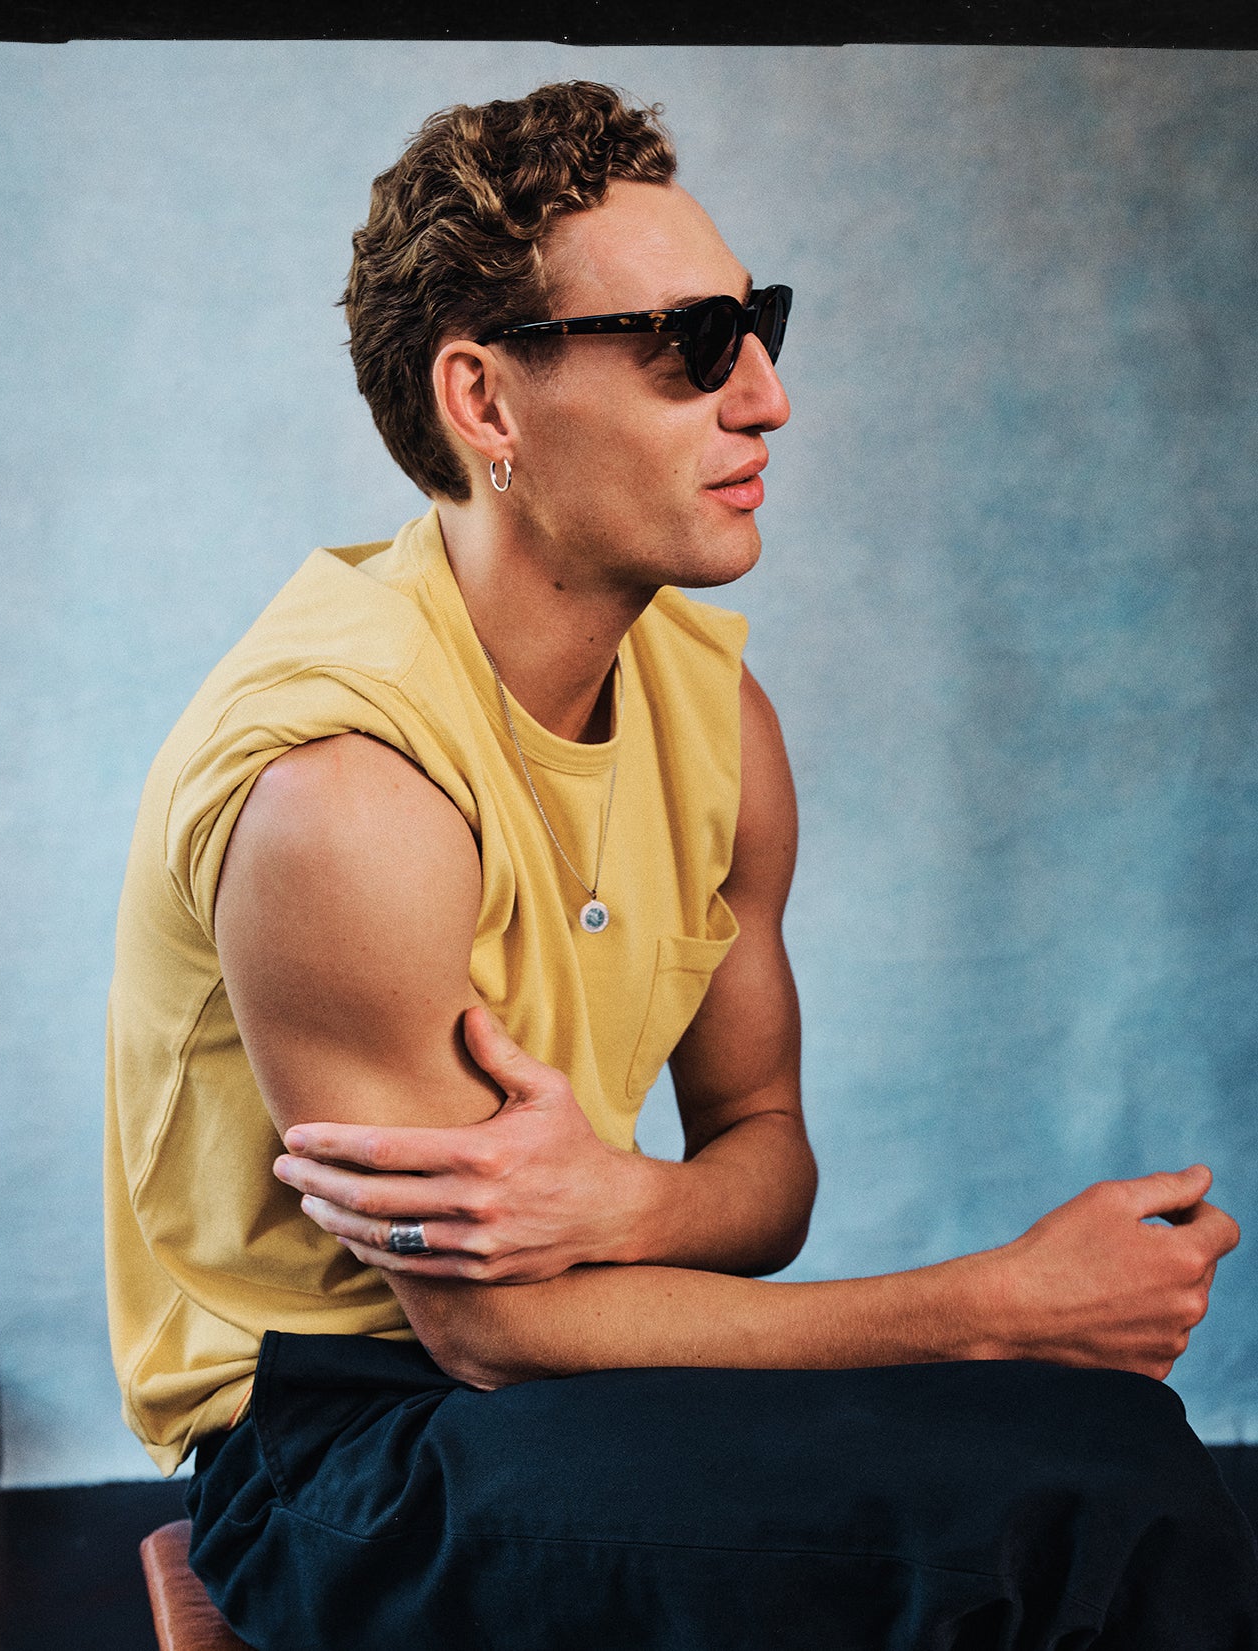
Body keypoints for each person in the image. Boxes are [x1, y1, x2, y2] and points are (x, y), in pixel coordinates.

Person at [105, 80, 1257, 1650]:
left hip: (568, 1368)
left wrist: (622, 1198)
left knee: (1111, 1451)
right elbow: (488, 1330)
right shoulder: (347, 793)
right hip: (338, 1449)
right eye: (690, 345)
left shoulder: (717, 722)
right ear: (485, 402)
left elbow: (768, 1171)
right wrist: (991, 1307)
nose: (766, 398)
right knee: (1092, 1510)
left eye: (756, 326)